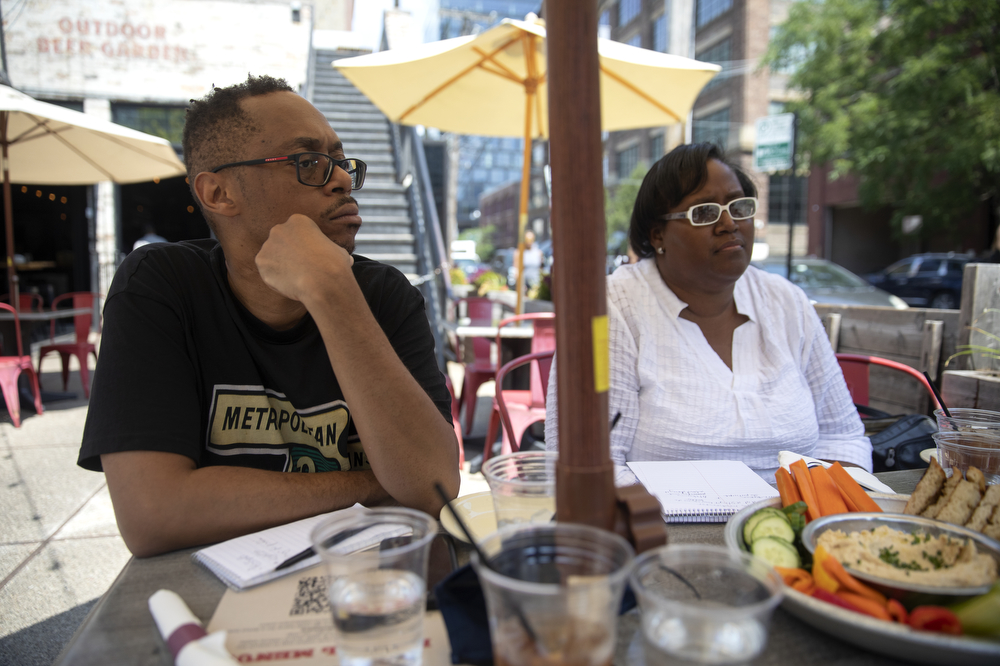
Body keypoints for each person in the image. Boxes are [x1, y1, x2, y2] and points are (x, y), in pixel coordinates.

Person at [79, 75, 460, 557]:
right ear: (218, 193)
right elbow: (154, 513)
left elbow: (434, 487)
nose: (341, 178)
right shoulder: (162, 286)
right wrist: (372, 485)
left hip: (373, 587)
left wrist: (333, 293)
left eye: (340, 162)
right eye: (309, 163)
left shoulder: (384, 296)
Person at [545, 143, 871, 485]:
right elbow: (590, 464)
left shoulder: (786, 302)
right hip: (662, 531)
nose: (729, 223)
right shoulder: (611, 309)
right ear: (658, 235)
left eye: (739, 206)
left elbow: (843, 437)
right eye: (704, 212)